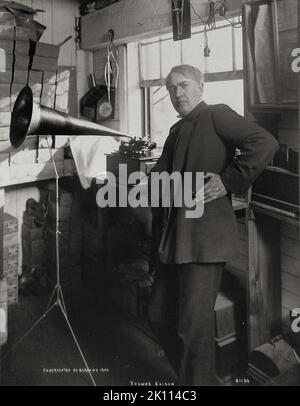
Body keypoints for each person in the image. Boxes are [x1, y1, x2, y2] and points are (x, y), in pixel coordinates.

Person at [146, 64, 279, 385]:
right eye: (172, 88)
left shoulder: (217, 115)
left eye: (185, 85)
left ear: (201, 86)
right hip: (175, 239)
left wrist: (227, 181)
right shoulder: (176, 131)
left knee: (193, 327)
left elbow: (264, 143)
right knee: (157, 314)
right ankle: (199, 379)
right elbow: (159, 179)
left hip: (204, 241)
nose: (178, 93)